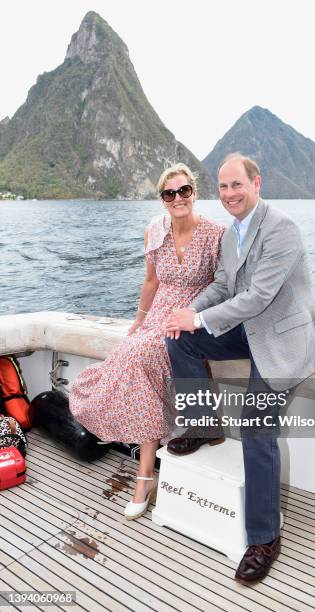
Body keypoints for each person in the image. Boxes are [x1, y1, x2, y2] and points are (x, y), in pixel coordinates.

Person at [165, 153, 315, 585]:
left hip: (285, 337)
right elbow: (225, 287)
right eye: (223, 187)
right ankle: (203, 424)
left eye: (237, 185)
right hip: (249, 329)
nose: (229, 194)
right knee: (180, 340)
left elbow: (259, 296)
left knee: (257, 424)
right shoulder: (231, 236)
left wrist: (201, 317)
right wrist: (188, 311)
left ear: (256, 184)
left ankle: (265, 537)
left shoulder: (282, 229)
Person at [69, 163, 225, 520]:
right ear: (162, 198)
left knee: (139, 358)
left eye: (183, 190)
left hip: (192, 316)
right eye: (169, 193)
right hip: (159, 313)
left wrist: (199, 316)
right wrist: (139, 321)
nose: (177, 198)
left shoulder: (216, 233)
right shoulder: (154, 232)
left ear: (194, 192)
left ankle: (145, 476)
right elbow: (151, 282)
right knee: (131, 351)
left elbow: (224, 286)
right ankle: (145, 468)